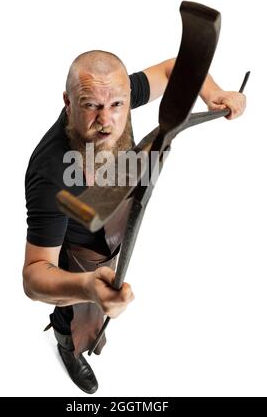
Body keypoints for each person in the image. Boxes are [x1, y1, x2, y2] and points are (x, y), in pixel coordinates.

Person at [23, 50, 246, 394]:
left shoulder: (115, 93)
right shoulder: (50, 172)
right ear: (68, 102)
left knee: (103, 304)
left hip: (115, 222)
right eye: (90, 105)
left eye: (117, 105)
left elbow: (177, 68)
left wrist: (213, 93)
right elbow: (36, 274)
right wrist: (85, 286)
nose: (107, 121)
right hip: (82, 252)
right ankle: (68, 344)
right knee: (79, 315)